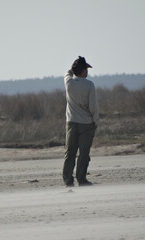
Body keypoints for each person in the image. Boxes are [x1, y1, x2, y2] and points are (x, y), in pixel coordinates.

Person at [63, 56, 99, 187]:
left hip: (71, 122)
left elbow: (67, 73)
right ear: (83, 71)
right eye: (86, 69)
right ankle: (81, 179)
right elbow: (93, 106)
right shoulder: (89, 85)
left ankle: (68, 179)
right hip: (86, 123)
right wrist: (96, 121)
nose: (87, 72)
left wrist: (73, 68)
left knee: (70, 152)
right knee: (84, 154)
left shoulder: (68, 83)